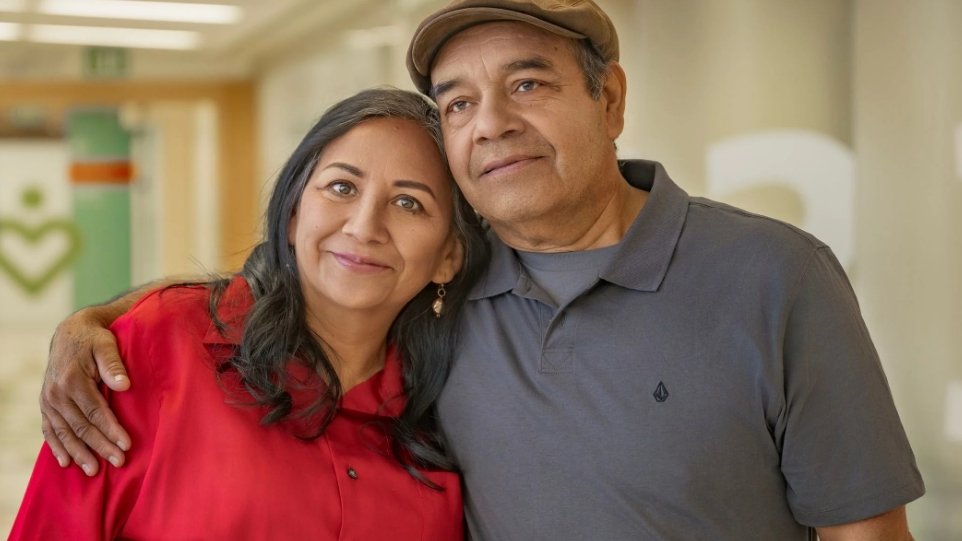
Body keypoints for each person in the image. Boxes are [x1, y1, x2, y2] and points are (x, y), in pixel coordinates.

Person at [37, 1, 925, 539]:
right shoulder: (444, 290)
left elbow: (867, 528)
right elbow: (308, 275)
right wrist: (91, 325)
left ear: (609, 99)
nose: (490, 121)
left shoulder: (777, 276)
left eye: (528, 84)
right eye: (458, 100)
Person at [11, 87, 487, 540]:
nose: (364, 227)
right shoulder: (161, 343)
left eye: (409, 203)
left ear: (450, 255)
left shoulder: (455, 404)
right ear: (294, 214)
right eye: (341, 186)